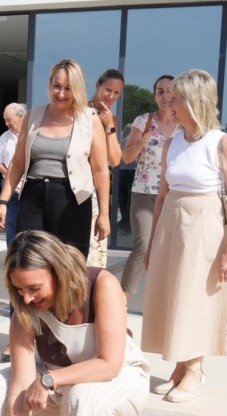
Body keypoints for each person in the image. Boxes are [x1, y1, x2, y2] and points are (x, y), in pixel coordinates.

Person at [0, 230, 151, 416]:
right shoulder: (24, 310)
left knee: (83, 396)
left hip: (117, 375)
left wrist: (49, 380)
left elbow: (109, 364)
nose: (26, 298)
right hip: (54, 377)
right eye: (19, 289)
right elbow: (20, 388)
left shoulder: (102, 284)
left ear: (59, 272)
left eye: (34, 288)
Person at [141, 69, 227, 403]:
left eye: (177, 98)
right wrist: (152, 241)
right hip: (172, 224)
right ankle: (180, 365)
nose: (169, 103)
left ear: (195, 101)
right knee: (173, 295)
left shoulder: (222, 144)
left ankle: (195, 369)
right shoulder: (172, 142)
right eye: (169, 98)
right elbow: (161, 196)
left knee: (194, 297)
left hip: (204, 228)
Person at [0, 59, 110, 258]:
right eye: (57, 86)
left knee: (69, 266)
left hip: (73, 201)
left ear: (78, 89)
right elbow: (18, 163)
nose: (61, 94)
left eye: (68, 88)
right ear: (50, 84)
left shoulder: (90, 119)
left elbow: (100, 170)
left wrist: (104, 215)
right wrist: (2, 202)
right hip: (32, 198)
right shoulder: (33, 115)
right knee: (29, 260)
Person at [119, 75, 175, 300]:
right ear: (155, 96)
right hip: (144, 194)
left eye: (170, 90)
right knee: (142, 247)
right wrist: (143, 140)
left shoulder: (186, 124)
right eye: (160, 91)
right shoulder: (143, 121)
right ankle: (120, 303)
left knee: (170, 251)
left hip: (173, 196)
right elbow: (126, 157)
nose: (165, 95)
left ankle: (166, 302)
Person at [87, 69, 125, 268]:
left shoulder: (111, 119)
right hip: (78, 185)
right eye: (108, 90)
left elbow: (116, 159)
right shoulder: (80, 111)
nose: (111, 96)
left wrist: (110, 125)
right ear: (97, 86)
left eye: (117, 93)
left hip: (98, 189)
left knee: (96, 249)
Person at [0, 103, 27, 246]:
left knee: (26, 222)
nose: (6, 124)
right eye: (5, 120)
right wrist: (11, 174)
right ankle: (11, 256)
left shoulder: (31, 134)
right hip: (9, 186)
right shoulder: (4, 137)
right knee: (11, 221)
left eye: (9, 120)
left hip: (28, 185)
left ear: (20, 117)